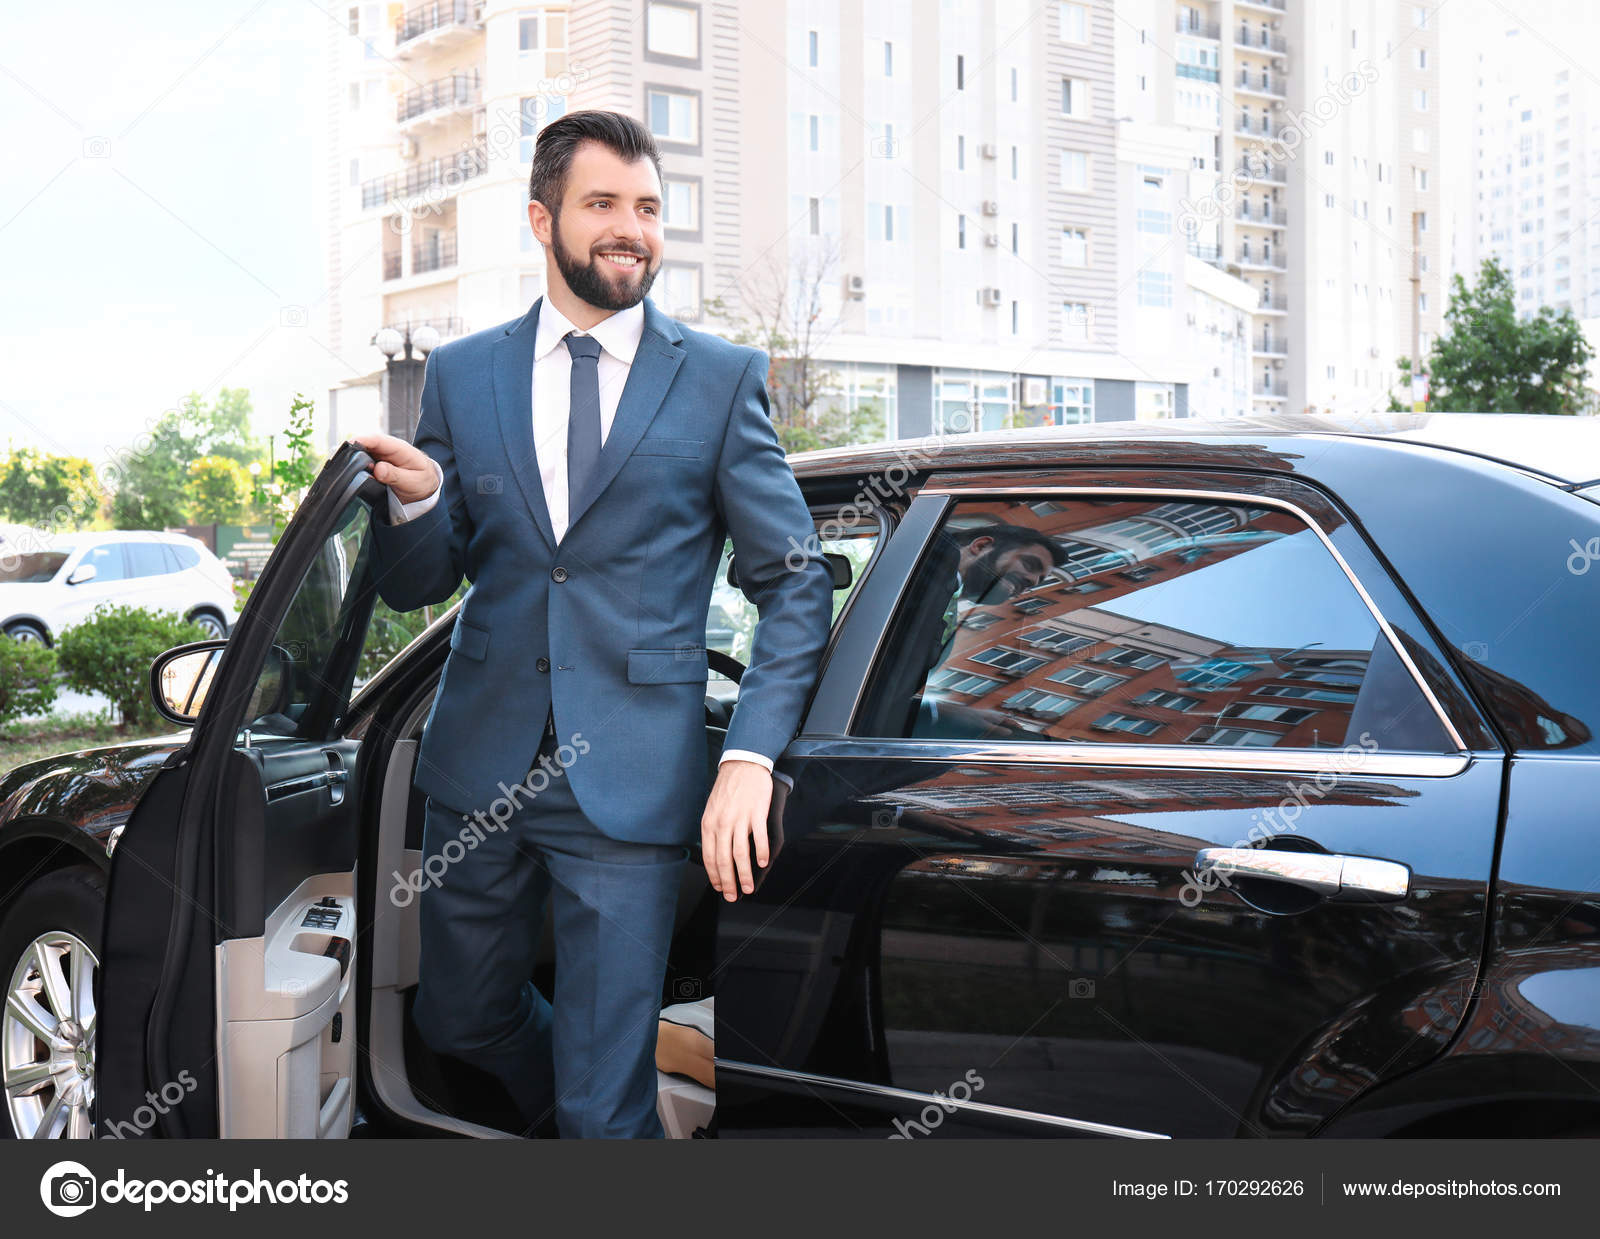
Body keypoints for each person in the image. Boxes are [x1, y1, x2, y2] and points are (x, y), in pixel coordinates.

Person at [353, 109, 834, 1139]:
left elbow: (795, 583)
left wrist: (749, 756)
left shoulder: (718, 380)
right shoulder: (464, 373)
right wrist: (418, 504)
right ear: (542, 218)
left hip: (632, 784)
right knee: (457, 1015)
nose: (632, 228)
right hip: (475, 768)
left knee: (600, 1094)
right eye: (604, 204)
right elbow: (417, 586)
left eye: (649, 208)